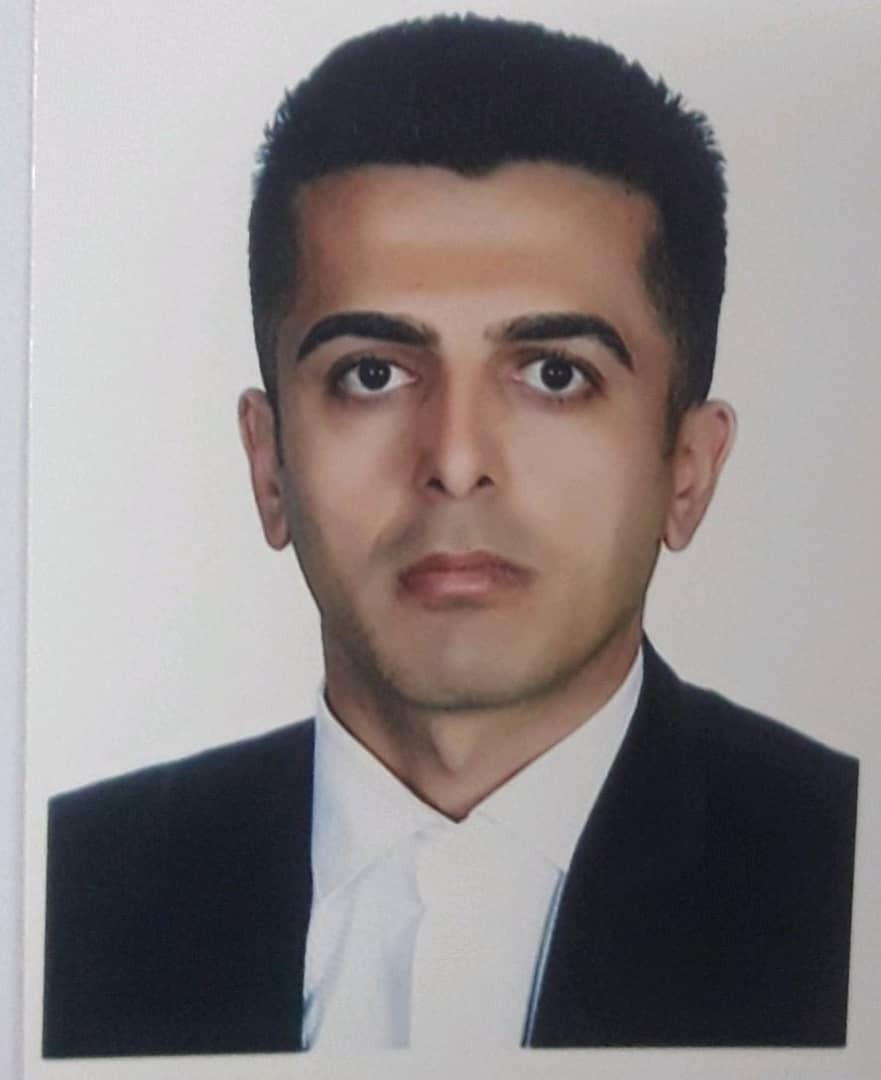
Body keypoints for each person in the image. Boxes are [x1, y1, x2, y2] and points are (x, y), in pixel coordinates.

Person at [43, 14, 858, 1057]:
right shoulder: (67, 894)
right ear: (268, 463)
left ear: (687, 471)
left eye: (554, 374)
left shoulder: (843, 879)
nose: (456, 459)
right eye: (370, 373)